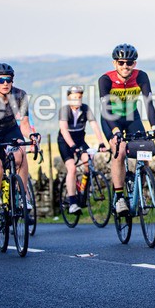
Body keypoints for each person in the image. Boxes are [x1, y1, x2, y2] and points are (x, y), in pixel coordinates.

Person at [98, 44, 155, 217]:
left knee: (144, 150)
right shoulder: (106, 80)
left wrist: (154, 126)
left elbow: (148, 102)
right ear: (115, 63)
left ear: (134, 63)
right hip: (111, 118)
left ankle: (140, 192)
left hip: (132, 117)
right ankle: (119, 198)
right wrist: (115, 130)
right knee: (119, 151)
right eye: (121, 62)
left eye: (129, 62)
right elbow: (106, 109)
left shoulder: (141, 76)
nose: (125, 66)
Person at [0, 63, 39, 236]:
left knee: (20, 153)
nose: (5, 83)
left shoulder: (20, 95)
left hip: (10, 130)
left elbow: (25, 124)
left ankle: (22, 194)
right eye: (1, 80)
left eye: (8, 79)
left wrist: (32, 136)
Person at [58, 86, 107, 214]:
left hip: (80, 140)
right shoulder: (64, 110)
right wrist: (72, 146)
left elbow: (94, 125)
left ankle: (83, 192)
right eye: (74, 98)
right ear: (69, 99)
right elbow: (64, 130)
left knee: (88, 162)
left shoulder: (85, 109)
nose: (77, 100)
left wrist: (101, 143)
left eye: (79, 97)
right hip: (65, 142)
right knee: (72, 168)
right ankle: (72, 203)